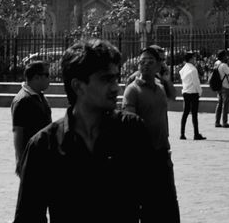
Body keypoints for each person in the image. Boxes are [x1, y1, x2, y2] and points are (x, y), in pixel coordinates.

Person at [12, 38, 154, 223]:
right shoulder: (44, 146)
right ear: (78, 86)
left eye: (116, 78)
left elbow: (157, 205)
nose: (115, 87)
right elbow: (29, 216)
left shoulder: (132, 133)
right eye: (106, 79)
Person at [123, 45, 180, 222]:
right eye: (142, 61)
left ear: (159, 65)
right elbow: (129, 122)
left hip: (162, 151)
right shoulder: (133, 88)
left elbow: (174, 96)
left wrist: (166, 78)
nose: (145, 65)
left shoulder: (160, 85)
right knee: (146, 204)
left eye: (151, 61)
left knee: (168, 201)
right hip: (143, 155)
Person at [11, 60, 53, 173]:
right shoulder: (23, 100)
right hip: (32, 157)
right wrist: (20, 160)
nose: (50, 79)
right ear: (36, 77)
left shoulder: (39, 95)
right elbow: (18, 131)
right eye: (47, 75)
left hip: (43, 154)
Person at [178, 51, 205, 140]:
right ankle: (196, 134)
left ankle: (182, 133)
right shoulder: (193, 69)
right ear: (190, 59)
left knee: (185, 113)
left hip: (185, 92)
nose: (195, 59)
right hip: (193, 93)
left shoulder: (183, 69)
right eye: (194, 58)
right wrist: (200, 92)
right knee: (194, 114)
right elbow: (196, 83)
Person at [212, 48, 229, 128]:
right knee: (225, 105)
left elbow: (224, 70)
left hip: (219, 86)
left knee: (219, 104)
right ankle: (225, 122)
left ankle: (217, 122)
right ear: (223, 56)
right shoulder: (224, 65)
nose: (227, 57)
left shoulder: (217, 63)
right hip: (225, 86)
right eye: (226, 55)